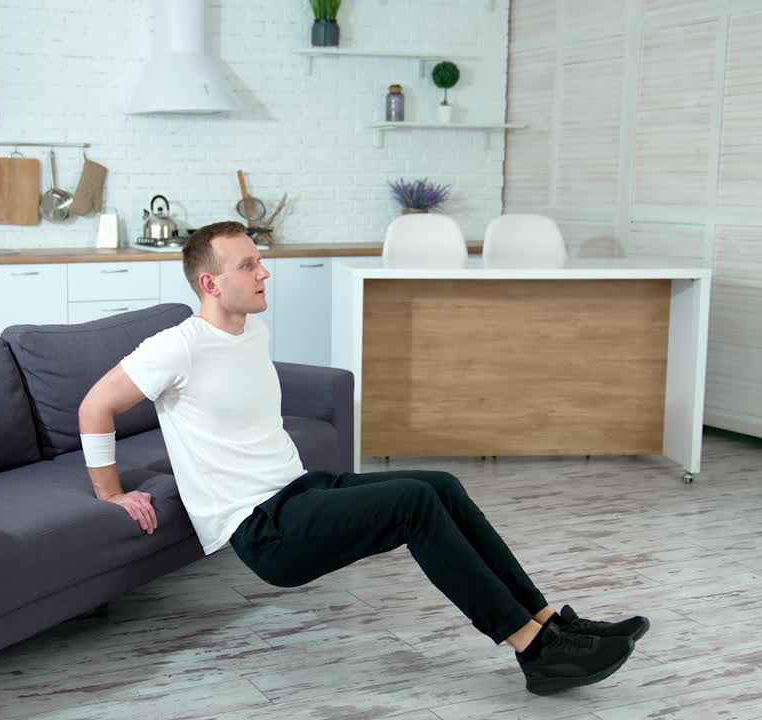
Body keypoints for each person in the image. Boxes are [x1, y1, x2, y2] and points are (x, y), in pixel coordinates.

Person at [78, 221, 649, 695]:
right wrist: (110, 491)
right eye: (248, 265)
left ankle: (547, 621)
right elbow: (94, 406)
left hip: (299, 493)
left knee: (442, 483)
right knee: (413, 502)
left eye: (260, 260)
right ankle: (532, 648)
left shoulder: (253, 332)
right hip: (262, 529)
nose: (264, 272)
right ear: (210, 282)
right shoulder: (176, 346)